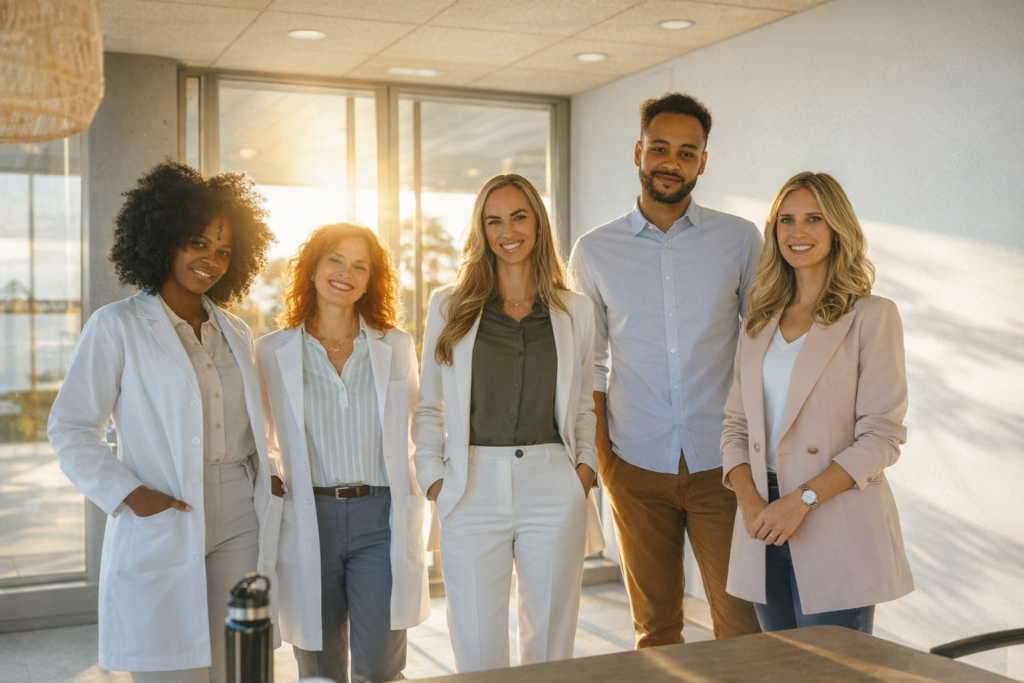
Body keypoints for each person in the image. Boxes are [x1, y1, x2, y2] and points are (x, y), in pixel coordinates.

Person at [47, 160, 280, 683]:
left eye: (224, 250)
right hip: (165, 503)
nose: (211, 261)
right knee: (170, 669)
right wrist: (130, 494)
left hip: (239, 512)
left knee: (238, 661)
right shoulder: (117, 325)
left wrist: (269, 469)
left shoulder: (236, 331)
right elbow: (70, 427)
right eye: (198, 243)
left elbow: (250, 424)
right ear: (163, 240)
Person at [568, 93, 763, 647]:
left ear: (703, 162)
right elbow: (591, 364)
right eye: (659, 148)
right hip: (635, 464)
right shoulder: (595, 250)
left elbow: (763, 345)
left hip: (725, 467)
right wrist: (606, 461)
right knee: (655, 629)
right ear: (638, 152)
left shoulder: (740, 240)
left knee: (741, 628)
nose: (670, 162)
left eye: (685, 152)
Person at [413, 173, 604, 673]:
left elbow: (583, 403)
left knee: (549, 644)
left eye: (519, 216)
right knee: (476, 644)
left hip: (553, 481)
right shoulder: (448, 306)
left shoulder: (575, 311)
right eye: (493, 220)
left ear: (538, 224)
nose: (507, 230)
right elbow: (429, 403)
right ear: (481, 230)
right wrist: (433, 478)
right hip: (469, 484)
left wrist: (583, 471)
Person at [721, 172, 913, 632]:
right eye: (786, 220)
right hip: (762, 522)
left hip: (833, 517)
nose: (798, 232)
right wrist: (749, 500)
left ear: (837, 229)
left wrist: (802, 501)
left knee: (834, 673)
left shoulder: (871, 316)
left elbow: (882, 437)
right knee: (781, 669)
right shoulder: (759, 321)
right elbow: (734, 426)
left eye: (813, 219)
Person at [255, 223, 429, 683]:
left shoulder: (395, 345)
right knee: (318, 666)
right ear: (311, 269)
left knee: (381, 667)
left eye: (359, 266)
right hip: (310, 516)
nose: (345, 273)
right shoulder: (271, 352)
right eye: (334, 259)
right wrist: (272, 480)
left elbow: (418, 424)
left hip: (381, 518)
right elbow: (259, 438)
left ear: (371, 280)